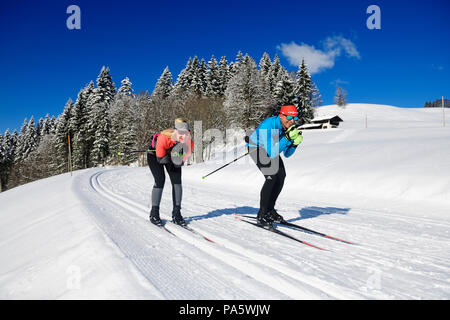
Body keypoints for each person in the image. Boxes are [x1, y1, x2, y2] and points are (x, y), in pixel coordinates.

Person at [246, 105, 303, 226]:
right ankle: (262, 214)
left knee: (281, 175)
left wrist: (294, 144)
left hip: (271, 149)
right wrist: (287, 138)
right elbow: (271, 153)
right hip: (256, 147)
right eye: (289, 117)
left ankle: (270, 211)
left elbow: (287, 154)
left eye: (295, 118)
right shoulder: (268, 125)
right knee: (271, 175)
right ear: (282, 116)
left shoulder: (289, 126)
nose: (292, 121)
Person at [147, 118, 194, 226]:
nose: (183, 136)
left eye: (186, 134)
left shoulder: (189, 142)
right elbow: (160, 158)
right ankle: (154, 212)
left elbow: (183, 157)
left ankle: (177, 213)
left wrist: (179, 160)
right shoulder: (164, 138)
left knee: (177, 182)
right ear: (175, 132)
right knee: (160, 180)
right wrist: (169, 157)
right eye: (180, 133)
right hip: (155, 156)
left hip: (172, 155)